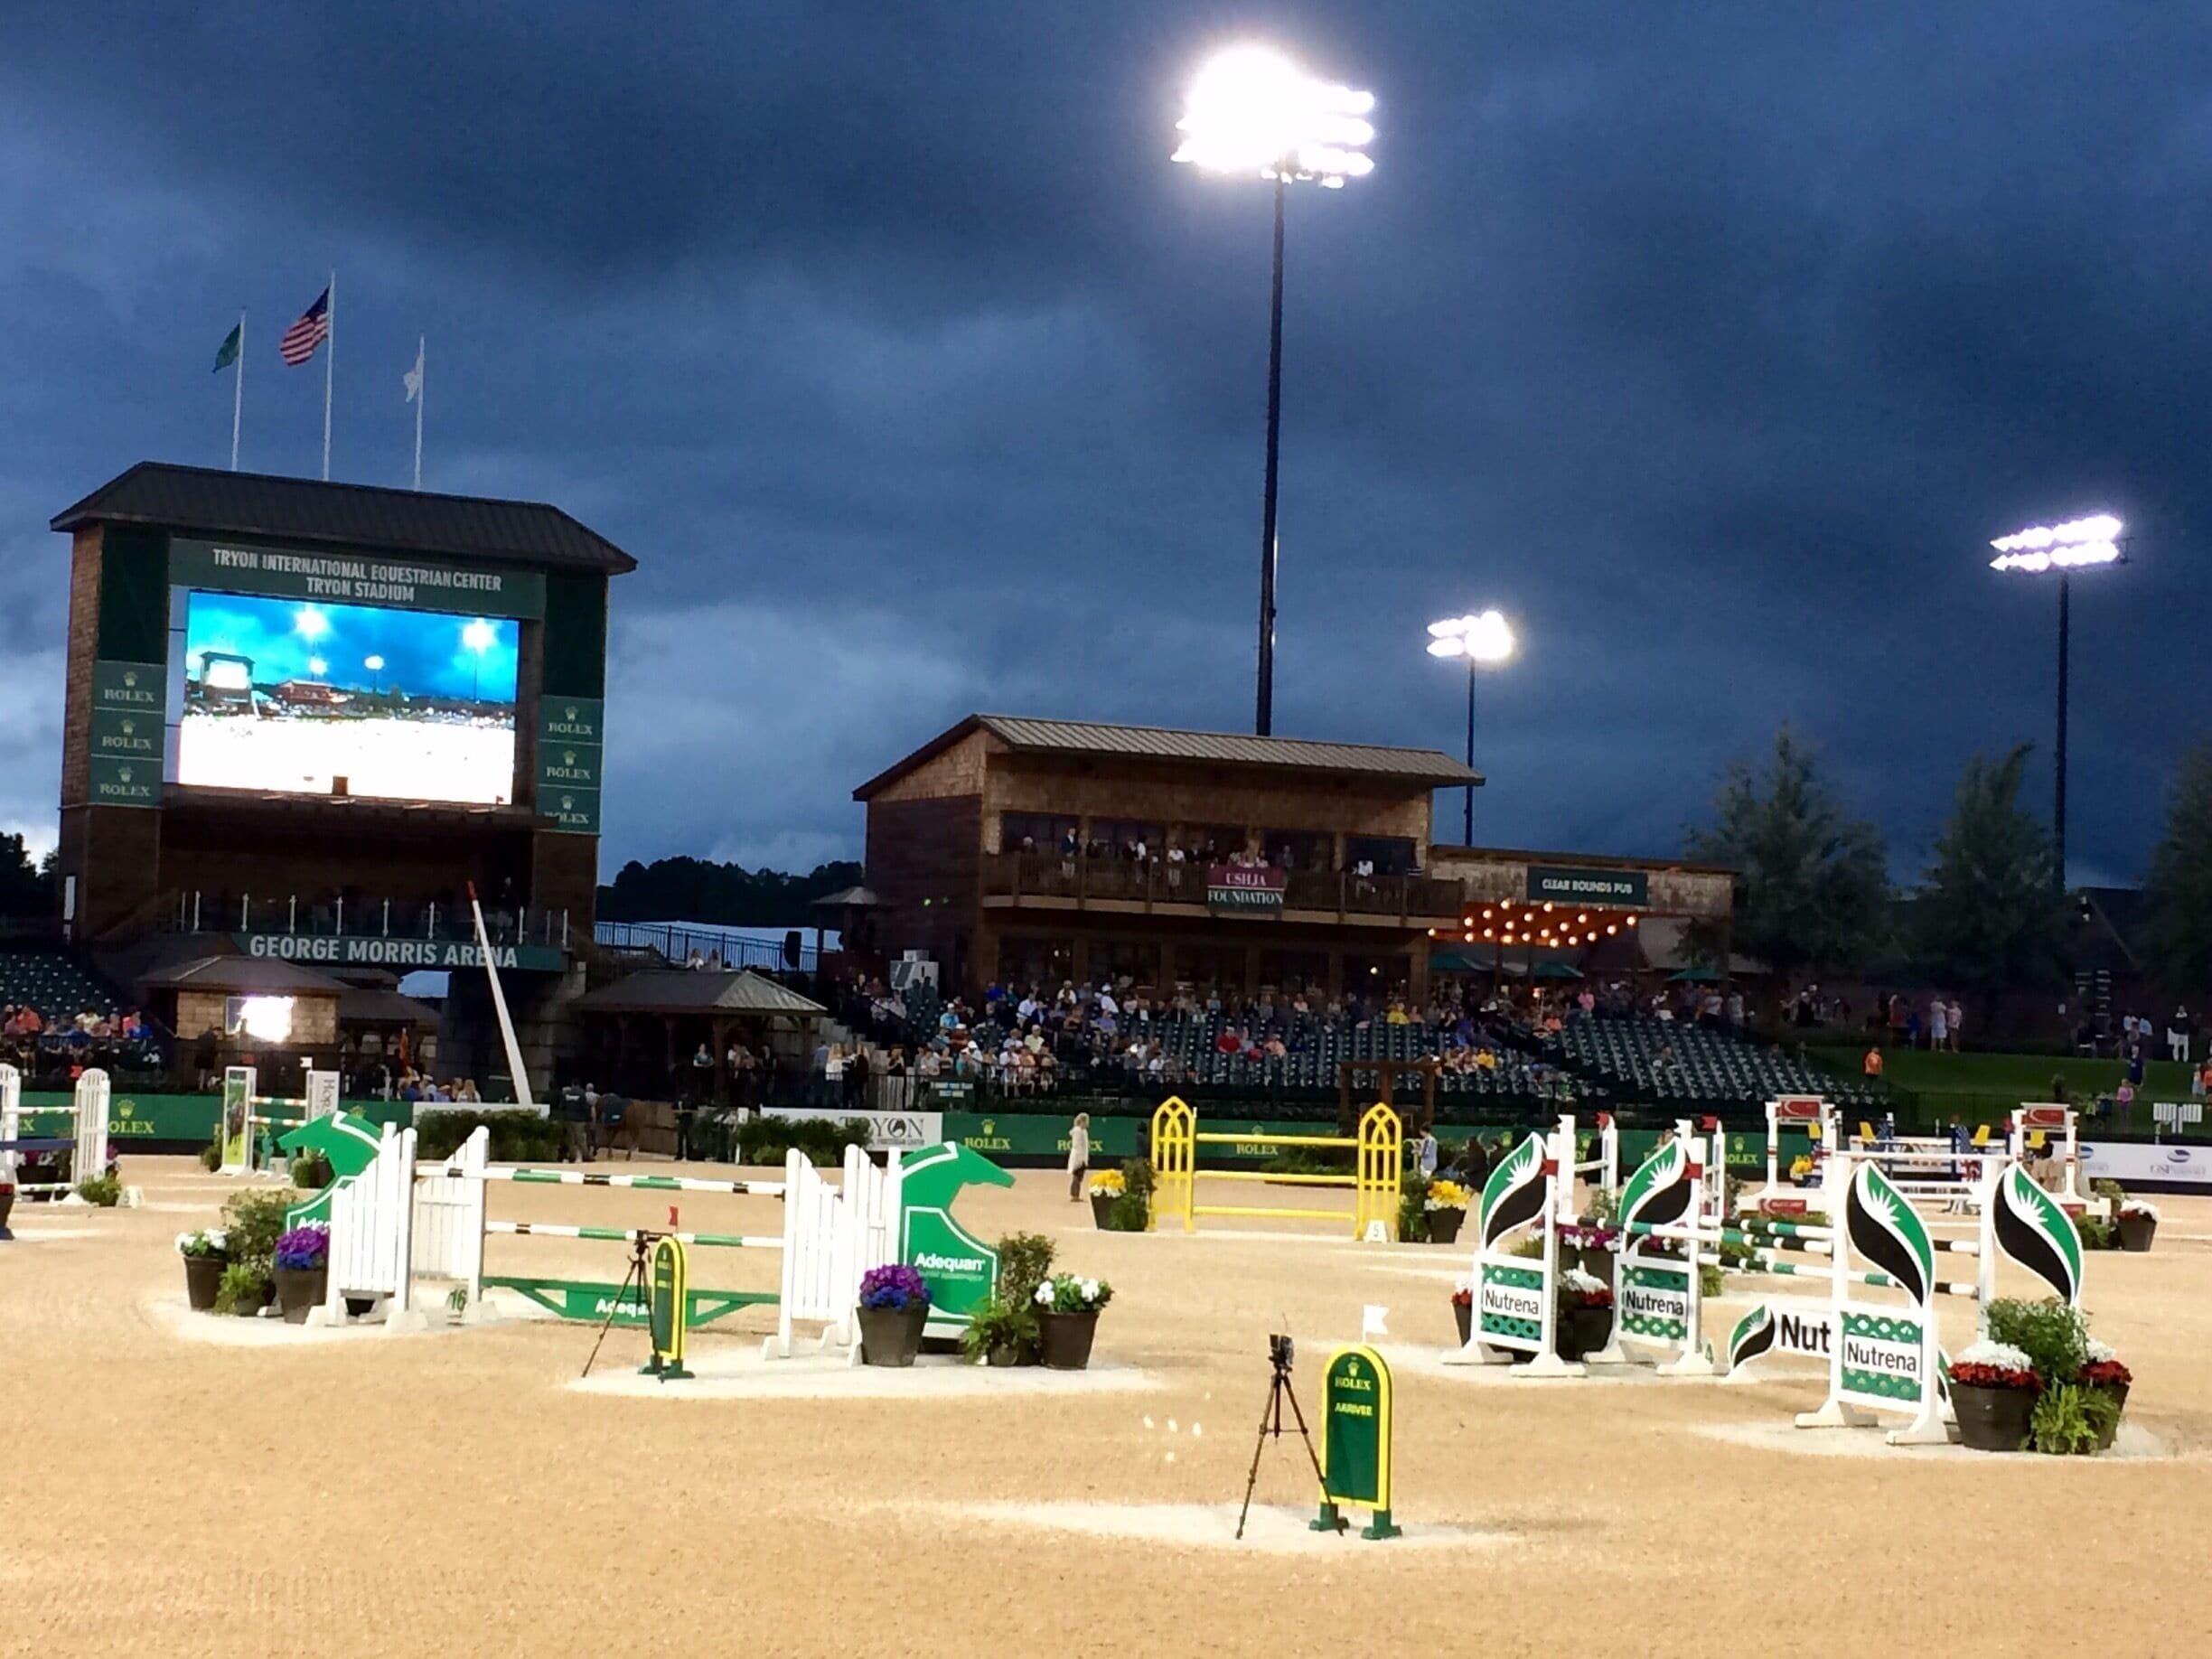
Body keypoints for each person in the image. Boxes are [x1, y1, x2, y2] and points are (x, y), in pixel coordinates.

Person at [1066, 1111, 1091, 1202]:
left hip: (1082, 1156)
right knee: (1077, 1175)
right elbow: (1077, 1145)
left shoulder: (1083, 1131)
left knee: (1079, 1176)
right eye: (1086, 1121)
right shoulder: (1077, 1131)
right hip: (1078, 1156)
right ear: (1082, 1121)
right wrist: (1080, 1159)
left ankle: (1076, 1194)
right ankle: (1074, 1195)